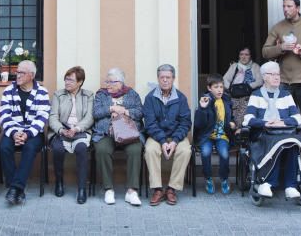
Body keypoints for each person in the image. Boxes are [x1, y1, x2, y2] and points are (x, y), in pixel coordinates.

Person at [261, 0, 301, 127]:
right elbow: (265, 52)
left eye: (289, 6)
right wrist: (280, 48)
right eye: (284, 6)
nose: (285, 9)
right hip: (283, 80)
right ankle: (287, 145)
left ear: (298, 8)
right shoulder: (277, 27)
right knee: (282, 117)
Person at [242, 60, 301, 198]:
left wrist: (282, 122)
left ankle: (290, 186)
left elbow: (297, 118)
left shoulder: (286, 95)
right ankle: (268, 182)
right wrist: (265, 123)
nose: (277, 77)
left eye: (278, 75)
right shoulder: (256, 95)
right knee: (278, 143)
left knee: (292, 144)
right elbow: (248, 119)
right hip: (264, 134)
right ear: (264, 77)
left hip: (284, 133)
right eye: (272, 74)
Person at [0, 59, 50, 205]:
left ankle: (15, 188)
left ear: (31, 75)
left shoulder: (42, 92)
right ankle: (17, 189)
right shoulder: (9, 90)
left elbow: (42, 117)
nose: (17, 75)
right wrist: (14, 133)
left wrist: (27, 134)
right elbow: (4, 115)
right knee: (5, 147)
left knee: (30, 147)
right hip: (12, 130)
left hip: (33, 133)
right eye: (17, 72)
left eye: (21, 72)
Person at [92, 67, 143, 207]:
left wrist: (124, 111)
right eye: (106, 81)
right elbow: (96, 113)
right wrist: (111, 109)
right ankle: (108, 189)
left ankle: (132, 191)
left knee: (135, 150)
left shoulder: (132, 94)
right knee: (102, 149)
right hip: (106, 133)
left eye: (111, 82)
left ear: (120, 83)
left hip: (128, 133)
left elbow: (139, 112)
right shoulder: (101, 95)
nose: (107, 85)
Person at [142, 64, 192, 206]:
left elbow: (185, 122)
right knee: (150, 150)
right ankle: (158, 189)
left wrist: (175, 141)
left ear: (173, 79)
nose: (165, 80)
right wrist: (163, 141)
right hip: (157, 136)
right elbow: (150, 124)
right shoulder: (150, 98)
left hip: (177, 136)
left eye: (168, 77)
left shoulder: (181, 98)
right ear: (158, 79)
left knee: (185, 150)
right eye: (162, 77)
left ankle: (171, 189)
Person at [48, 66, 94, 204]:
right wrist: (61, 130)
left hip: (80, 131)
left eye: (71, 80)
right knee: (57, 149)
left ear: (80, 82)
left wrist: (78, 128)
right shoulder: (58, 95)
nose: (67, 82)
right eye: (66, 79)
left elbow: (90, 117)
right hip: (61, 130)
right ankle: (59, 183)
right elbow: (53, 117)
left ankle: (81, 189)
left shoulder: (88, 95)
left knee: (81, 149)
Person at [193, 73, 235, 194]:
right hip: (207, 136)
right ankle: (208, 179)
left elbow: (230, 117)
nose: (219, 90)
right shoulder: (205, 100)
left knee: (224, 154)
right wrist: (202, 108)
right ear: (209, 88)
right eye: (216, 87)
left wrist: (232, 123)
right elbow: (199, 124)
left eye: (221, 87)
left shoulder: (226, 100)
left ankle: (224, 179)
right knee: (205, 153)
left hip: (222, 135)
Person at [222, 47, 263, 122]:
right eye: (241, 54)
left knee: (245, 109)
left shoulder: (255, 66)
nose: (244, 57)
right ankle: (236, 129)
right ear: (239, 55)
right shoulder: (234, 66)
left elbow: (260, 81)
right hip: (234, 94)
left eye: (246, 54)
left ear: (250, 56)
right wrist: (231, 88)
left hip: (249, 95)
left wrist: (248, 87)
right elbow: (225, 79)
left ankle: (239, 129)